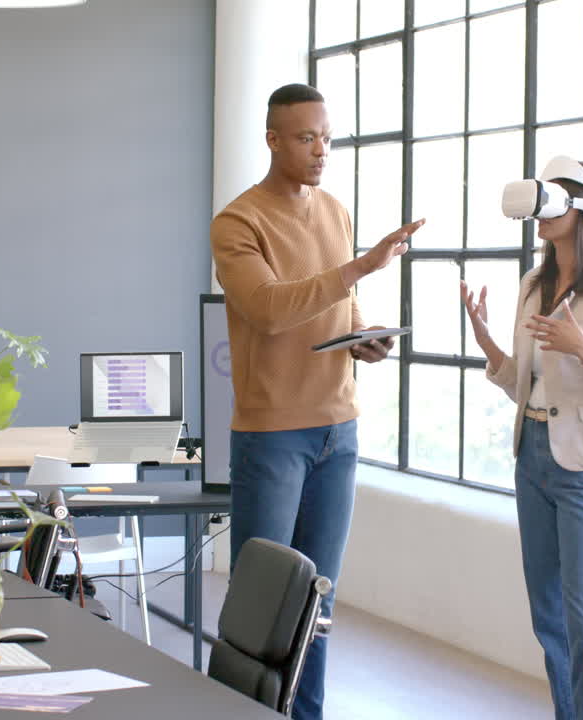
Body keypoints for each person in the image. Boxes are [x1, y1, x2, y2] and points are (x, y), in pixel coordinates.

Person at [210, 82, 424, 720]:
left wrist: (361, 341)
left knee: (317, 606)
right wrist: (361, 267)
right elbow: (271, 311)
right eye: (306, 138)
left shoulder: (334, 210)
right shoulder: (237, 222)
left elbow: (337, 308)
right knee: (260, 608)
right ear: (272, 139)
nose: (321, 150)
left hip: (339, 432)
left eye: (327, 137)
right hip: (273, 437)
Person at [461, 156, 583, 720]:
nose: (542, 212)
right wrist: (488, 343)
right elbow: (525, 381)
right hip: (534, 456)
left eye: (554, 198)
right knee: (548, 617)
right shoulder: (533, 283)